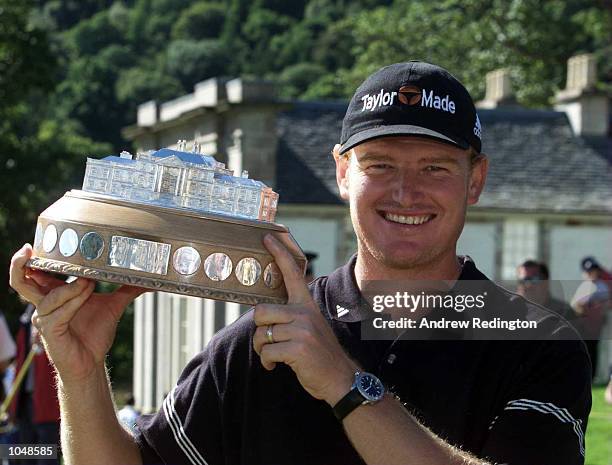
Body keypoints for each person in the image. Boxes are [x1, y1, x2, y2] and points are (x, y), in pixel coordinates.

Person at [9, 61, 591, 465]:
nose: (406, 192)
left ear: (476, 180)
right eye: (380, 164)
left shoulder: (537, 346)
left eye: (436, 167)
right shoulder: (264, 340)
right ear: (342, 174)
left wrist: (343, 383)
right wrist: (81, 373)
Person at [8, 303, 61, 465]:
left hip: (48, 406)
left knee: (46, 459)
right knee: (26, 458)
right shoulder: (25, 319)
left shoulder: (55, 311)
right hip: (24, 406)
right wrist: (13, 408)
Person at [571, 257, 611, 379]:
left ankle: (598, 377)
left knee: (597, 351)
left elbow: (606, 304)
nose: (590, 274)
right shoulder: (584, 286)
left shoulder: (602, 286)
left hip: (598, 326)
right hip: (584, 326)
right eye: (588, 271)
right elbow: (575, 305)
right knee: (585, 351)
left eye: (593, 270)